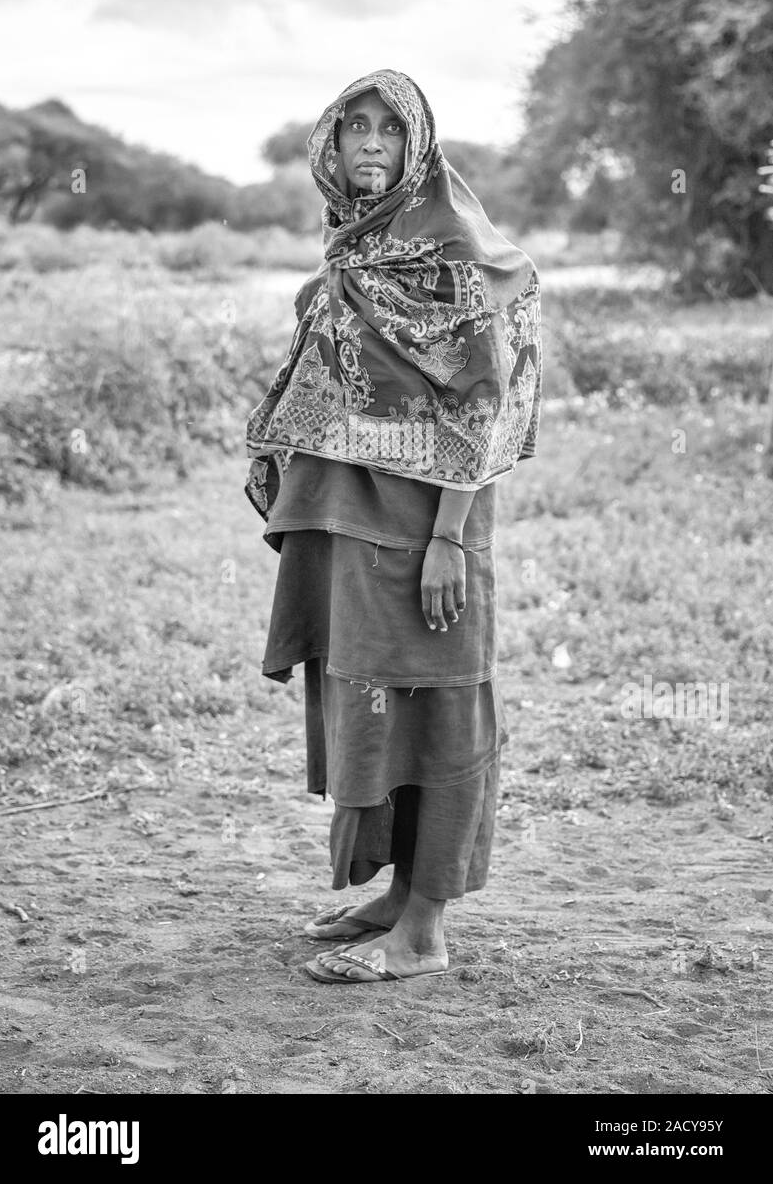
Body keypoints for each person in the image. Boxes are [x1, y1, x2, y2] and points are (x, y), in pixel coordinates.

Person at [245, 68, 541, 984]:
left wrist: (449, 536)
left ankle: (424, 931)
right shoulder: (352, 250)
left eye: (387, 130)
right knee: (369, 698)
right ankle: (393, 893)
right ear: (326, 146)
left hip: (426, 531)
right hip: (348, 521)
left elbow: (487, 403)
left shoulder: (454, 251)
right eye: (352, 129)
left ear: (417, 146)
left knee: (438, 701)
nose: (369, 145)